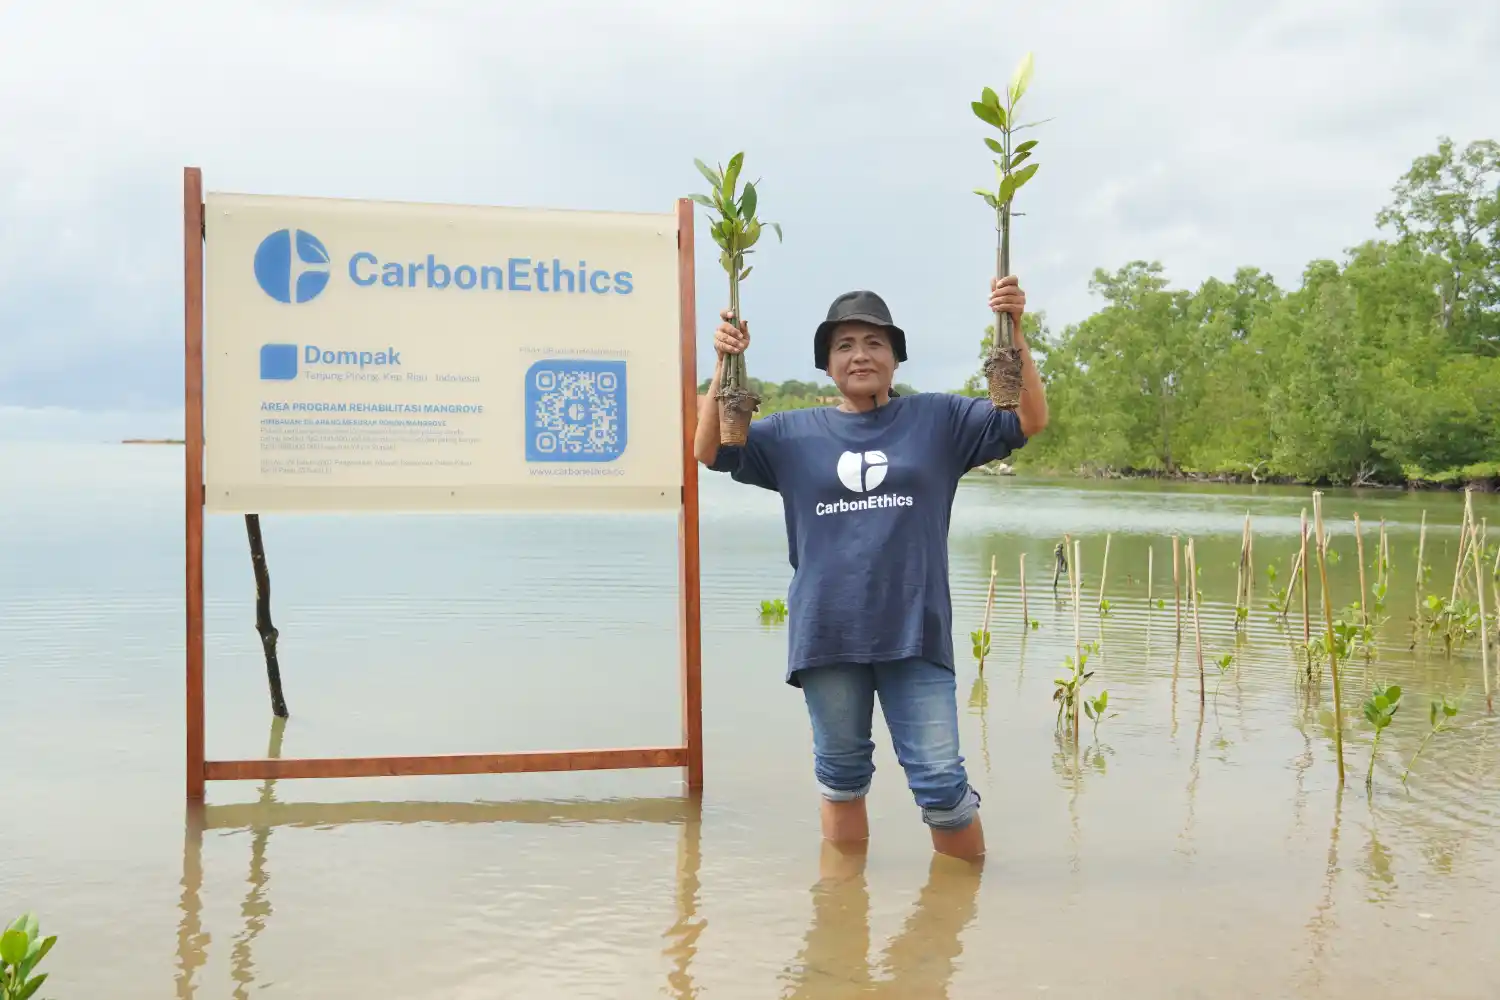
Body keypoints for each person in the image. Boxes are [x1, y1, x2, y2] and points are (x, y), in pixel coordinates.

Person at [694, 276, 1049, 860]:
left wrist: (1017, 331)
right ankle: (843, 911)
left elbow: (1028, 421)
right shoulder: (790, 434)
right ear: (827, 364)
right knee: (841, 774)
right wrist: (725, 363)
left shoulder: (939, 421)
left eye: (874, 343)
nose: (860, 354)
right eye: (844, 345)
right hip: (827, 634)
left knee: (941, 782)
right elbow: (710, 451)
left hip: (916, 632)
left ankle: (960, 912)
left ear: (895, 357)